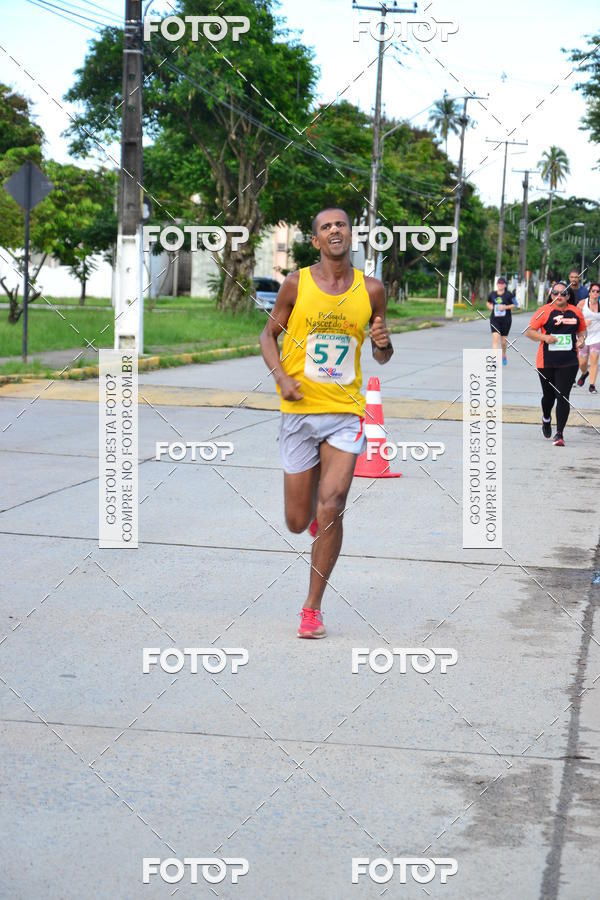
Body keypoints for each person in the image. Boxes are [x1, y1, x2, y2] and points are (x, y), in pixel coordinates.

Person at [260, 207, 393, 638]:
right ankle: (314, 516)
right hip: (299, 413)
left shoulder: (372, 290)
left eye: (341, 224)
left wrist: (384, 345)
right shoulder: (296, 283)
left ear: (351, 235)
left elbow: (381, 353)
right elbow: (267, 337)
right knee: (298, 522)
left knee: (333, 504)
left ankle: (311, 609)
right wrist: (281, 377)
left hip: (344, 413)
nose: (334, 230)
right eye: (325, 227)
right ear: (315, 241)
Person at [525, 281, 586, 446]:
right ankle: (546, 418)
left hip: (569, 361)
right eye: (555, 293)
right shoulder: (543, 311)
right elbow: (529, 331)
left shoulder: (576, 312)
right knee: (549, 397)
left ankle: (559, 434)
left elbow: (582, 330)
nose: (559, 296)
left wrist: (581, 339)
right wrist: (545, 338)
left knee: (563, 396)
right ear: (551, 294)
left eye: (563, 293)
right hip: (546, 361)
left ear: (568, 295)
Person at [575, 281, 600, 392]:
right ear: (589, 292)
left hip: (597, 336)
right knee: (582, 363)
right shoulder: (582, 304)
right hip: (583, 336)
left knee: (594, 360)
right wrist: (583, 322)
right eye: (593, 291)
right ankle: (585, 373)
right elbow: (574, 318)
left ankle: (592, 385)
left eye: (597, 291)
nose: (595, 293)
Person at [486, 277, 516, 366]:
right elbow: (488, 302)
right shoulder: (492, 294)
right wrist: (490, 306)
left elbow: (515, 304)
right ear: (497, 284)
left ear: (505, 285)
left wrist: (505, 307)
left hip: (506, 320)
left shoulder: (509, 294)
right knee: (495, 338)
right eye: (499, 283)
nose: (500, 285)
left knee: (503, 342)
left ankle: (503, 354)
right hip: (494, 319)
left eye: (502, 283)